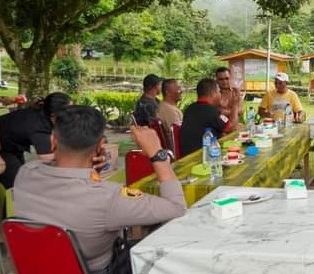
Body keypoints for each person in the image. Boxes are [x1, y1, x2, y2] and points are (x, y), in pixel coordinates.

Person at [14, 106, 186, 274]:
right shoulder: (109, 197)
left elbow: (67, 183)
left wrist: (90, 172)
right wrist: (157, 153)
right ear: (100, 145)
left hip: (36, 267)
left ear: (53, 140)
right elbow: (176, 207)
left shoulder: (25, 173)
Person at [0, 92, 72, 188]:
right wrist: (76, 155)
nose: (72, 114)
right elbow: (46, 157)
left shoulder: (43, 112)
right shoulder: (39, 126)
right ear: (53, 115)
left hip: (11, 142)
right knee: (16, 181)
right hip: (4, 145)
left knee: (22, 173)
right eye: (69, 112)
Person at [180, 78, 241, 156]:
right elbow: (231, 127)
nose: (220, 95)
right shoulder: (209, 110)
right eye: (219, 91)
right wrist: (235, 104)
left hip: (189, 155)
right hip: (201, 156)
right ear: (213, 93)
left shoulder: (191, 108)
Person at [157, 78, 183, 149]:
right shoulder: (168, 109)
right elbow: (178, 133)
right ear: (167, 92)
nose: (181, 91)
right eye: (178, 89)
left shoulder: (166, 106)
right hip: (177, 149)